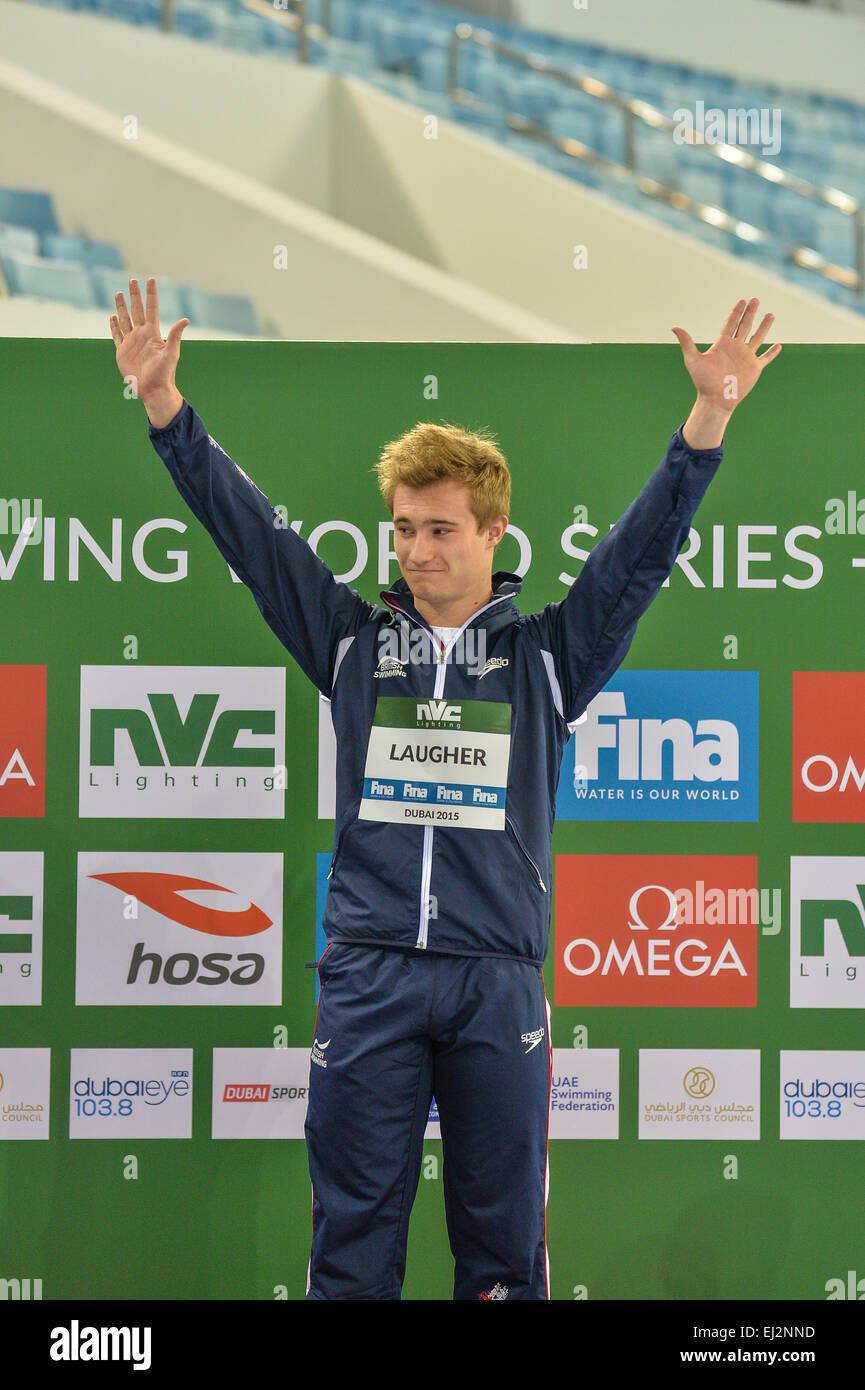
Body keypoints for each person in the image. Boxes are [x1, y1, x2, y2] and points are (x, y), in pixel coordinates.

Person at [110, 279, 781, 1301]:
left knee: (503, 1253)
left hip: (495, 978)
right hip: (370, 974)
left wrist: (706, 422)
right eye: (404, 530)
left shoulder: (548, 656)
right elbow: (248, 532)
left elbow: (636, 560)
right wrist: (165, 409)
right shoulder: (346, 640)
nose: (417, 551)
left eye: (439, 530)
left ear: (493, 535)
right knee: (350, 1247)